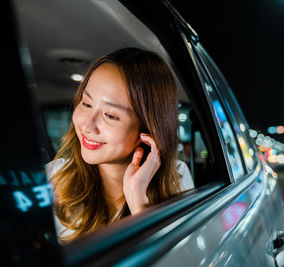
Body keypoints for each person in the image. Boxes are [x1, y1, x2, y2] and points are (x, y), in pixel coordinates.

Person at [46, 48, 194, 243]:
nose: (86, 125)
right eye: (86, 104)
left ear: (148, 129)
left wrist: (140, 205)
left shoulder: (178, 178)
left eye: (110, 115)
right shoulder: (54, 176)